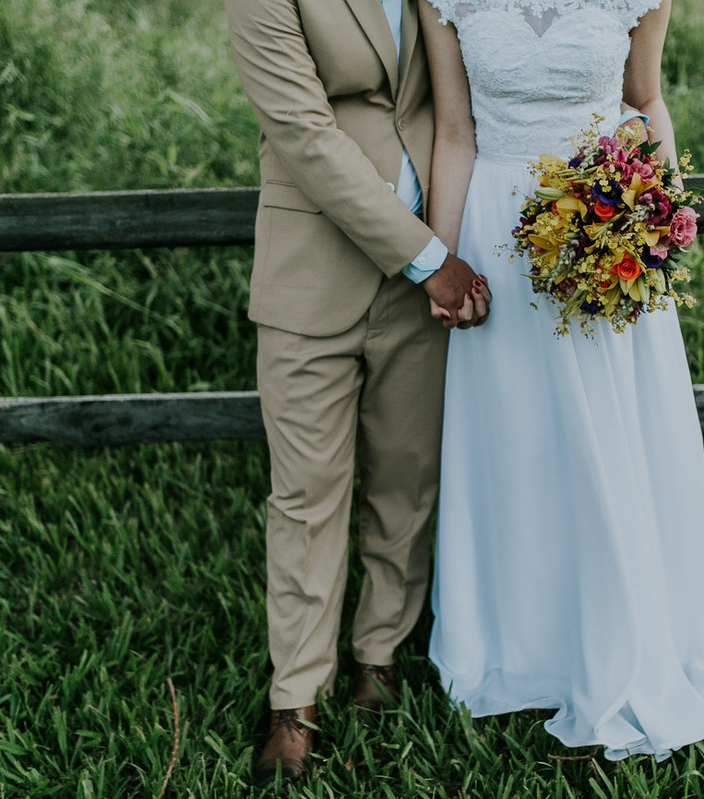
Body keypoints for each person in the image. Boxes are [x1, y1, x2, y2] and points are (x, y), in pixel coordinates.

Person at [419, 0, 704, 760]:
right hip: (498, 232)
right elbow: (455, 133)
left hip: (603, 223)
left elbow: (646, 101)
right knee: (518, 441)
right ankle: (522, 647)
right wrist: (446, 263)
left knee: (608, 443)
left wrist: (657, 217)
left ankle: (623, 648)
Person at [224, 0, 491, 785]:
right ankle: (296, 699)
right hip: (318, 268)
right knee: (307, 493)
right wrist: (427, 257)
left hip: (429, 268)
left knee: (408, 474)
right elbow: (305, 135)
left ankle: (380, 654)